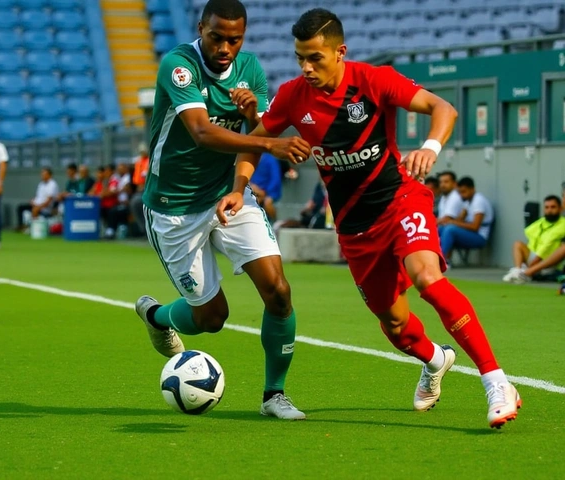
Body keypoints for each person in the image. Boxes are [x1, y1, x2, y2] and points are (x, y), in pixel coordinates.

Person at [216, 9, 520, 428]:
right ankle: (435, 359)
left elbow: (441, 107)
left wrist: (430, 146)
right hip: (355, 229)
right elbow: (254, 142)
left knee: (428, 278)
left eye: (315, 58)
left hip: (400, 199)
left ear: (340, 52)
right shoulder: (292, 96)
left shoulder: (374, 80)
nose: (306, 67)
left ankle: (496, 380)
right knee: (394, 323)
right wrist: (239, 187)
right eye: (300, 58)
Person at [135, 0, 311, 420]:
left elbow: (258, 130)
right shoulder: (179, 65)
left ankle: (274, 395)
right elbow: (200, 131)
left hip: (228, 196)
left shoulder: (250, 68)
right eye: (217, 37)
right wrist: (270, 143)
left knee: (279, 291)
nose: (226, 47)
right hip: (173, 209)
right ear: (202, 28)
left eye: (235, 39)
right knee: (212, 318)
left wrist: (252, 115)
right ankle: (158, 317)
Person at [504, 195, 565, 283]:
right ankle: (518, 271)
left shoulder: (563, 224)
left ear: (560, 209)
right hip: (534, 256)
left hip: (549, 261)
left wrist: (535, 262)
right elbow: (531, 239)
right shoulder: (540, 222)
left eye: (553, 207)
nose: (549, 210)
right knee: (517, 244)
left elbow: (547, 246)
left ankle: (527, 273)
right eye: (547, 207)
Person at [439, 176, 494, 263]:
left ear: (472, 189)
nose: (461, 195)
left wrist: (453, 222)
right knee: (441, 229)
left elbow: (475, 227)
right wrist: (450, 222)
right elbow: (460, 219)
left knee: (450, 230)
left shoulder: (478, 200)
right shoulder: (468, 201)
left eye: (464, 192)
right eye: (460, 192)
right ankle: (433, 257)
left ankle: (442, 260)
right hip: (470, 234)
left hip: (480, 237)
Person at [250, 152, 282, 221]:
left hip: (268, 192)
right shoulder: (248, 158)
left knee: (268, 204)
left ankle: (274, 223)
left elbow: (275, 178)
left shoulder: (270, 160)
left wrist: (267, 193)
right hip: (252, 190)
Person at [130, 143, 150, 237]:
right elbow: (137, 180)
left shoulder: (151, 160)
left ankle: (149, 229)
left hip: (149, 189)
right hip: (141, 190)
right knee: (135, 202)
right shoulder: (139, 162)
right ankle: (144, 229)